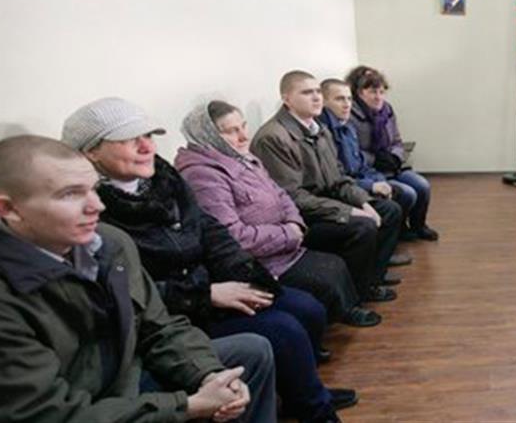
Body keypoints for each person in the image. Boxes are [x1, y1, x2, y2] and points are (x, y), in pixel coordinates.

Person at [61, 98, 350, 423]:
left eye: (149, 136)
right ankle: (315, 409)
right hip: (179, 311)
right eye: (130, 140)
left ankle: (301, 391)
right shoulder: (92, 214)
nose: (147, 147)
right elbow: (133, 295)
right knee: (283, 330)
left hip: (207, 284)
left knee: (305, 308)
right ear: (91, 151)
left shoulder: (163, 177)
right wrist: (206, 294)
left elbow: (209, 229)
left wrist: (244, 272)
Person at [0, 135, 267, 423]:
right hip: (82, 405)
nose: (97, 206)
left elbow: (159, 327)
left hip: (125, 379)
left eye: (93, 189)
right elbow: (48, 413)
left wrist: (209, 374)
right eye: (70, 194)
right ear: (8, 209)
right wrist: (186, 406)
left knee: (249, 356)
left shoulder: (110, 243)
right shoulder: (0, 297)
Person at [175, 100, 387, 328]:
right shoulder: (202, 176)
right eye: (231, 131)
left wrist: (294, 223)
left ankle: (347, 308)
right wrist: (289, 234)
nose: (244, 136)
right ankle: (335, 317)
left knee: (335, 264)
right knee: (321, 283)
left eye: (243, 126)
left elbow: (281, 195)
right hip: (259, 262)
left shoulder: (243, 158)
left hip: (284, 243)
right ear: (208, 136)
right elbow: (233, 237)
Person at [251, 70, 408, 306]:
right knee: (363, 226)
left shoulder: (318, 129)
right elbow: (292, 197)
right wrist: (349, 211)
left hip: (325, 203)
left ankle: (370, 281)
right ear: (287, 99)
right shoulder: (273, 137)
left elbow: (338, 178)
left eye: (317, 92)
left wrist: (363, 202)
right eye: (307, 92)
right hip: (302, 217)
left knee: (389, 210)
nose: (316, 97)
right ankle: (353, 300)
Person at [346, 65, 439, 241]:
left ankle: (419, 226)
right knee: (408, 193)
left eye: (382, 92)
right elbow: (352, 153)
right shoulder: (350, 116)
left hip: (392, 166)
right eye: (373, 92)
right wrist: (375, 159)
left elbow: (397, 140)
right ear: (359, 92)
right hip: (370, 171)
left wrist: (396, 156)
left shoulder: (387, 110)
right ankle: (400, 229)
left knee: (422, 185)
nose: (378, 97)